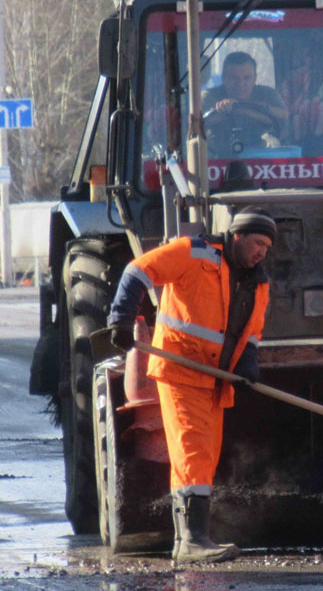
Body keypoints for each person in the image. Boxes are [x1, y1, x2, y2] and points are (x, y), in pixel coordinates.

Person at [105, 207, 277, 563]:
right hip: (181, 371)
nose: (262, 251)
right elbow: (139, 270)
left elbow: (253, 332)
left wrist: (247, 363)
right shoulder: (193, 253)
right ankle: (192, 542)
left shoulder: (257, 282)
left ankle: (188, 540)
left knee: (203, 458)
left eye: (267, 247)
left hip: (215, 380)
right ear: (237, 236)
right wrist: (121, 318)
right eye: (258, 242)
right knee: (193, 452)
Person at [203, 52, 288, 153]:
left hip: (264, 163)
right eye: (234, 78)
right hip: (216, 163)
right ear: (224, 78)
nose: (240, 83)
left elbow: (284, 115)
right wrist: (221, 109)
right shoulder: (210, 96)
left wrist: (243, 109)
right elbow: (196, 124)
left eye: (246, 78)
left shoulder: (267, 94)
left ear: (255, 78)